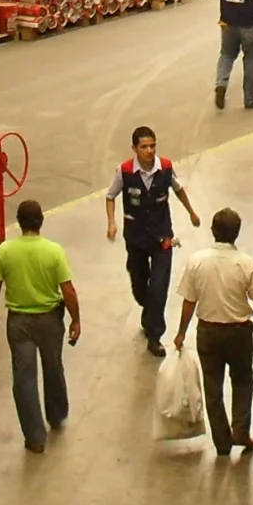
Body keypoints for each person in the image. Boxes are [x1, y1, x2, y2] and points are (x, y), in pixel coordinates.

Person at [0, 198, 80, 453]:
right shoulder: (54, 251)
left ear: (19, 222)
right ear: (41, 221)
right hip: (50, 320)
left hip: (19, 322)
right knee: (53, 367)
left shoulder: (5, 251)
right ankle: (57, 414)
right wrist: (76, 320)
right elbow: (67, 290)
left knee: (24, 378)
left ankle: (35, 437)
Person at [174, 207, 253, 458]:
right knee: (243, 380)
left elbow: (189, 301)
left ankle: (222, 443)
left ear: (213, 231)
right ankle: (241, 430)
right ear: (237, 233)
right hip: (239, 333)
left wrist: (181, 332)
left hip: (208, 332)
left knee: (212, 387)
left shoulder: (197, 261)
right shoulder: (245, 263)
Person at [105, 126, 198, 356]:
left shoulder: (165, 168)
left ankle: (154, 335)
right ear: (134, 148)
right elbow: (110, 196)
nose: (149, 151)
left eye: (152, 146)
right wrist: (111, 222)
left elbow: (178, 189)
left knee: (158, 287)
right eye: (144, 147)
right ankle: (148, 312)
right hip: (136, 238)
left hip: (162, 239)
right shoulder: (124, 172)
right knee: (140, 288)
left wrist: (191, 212)